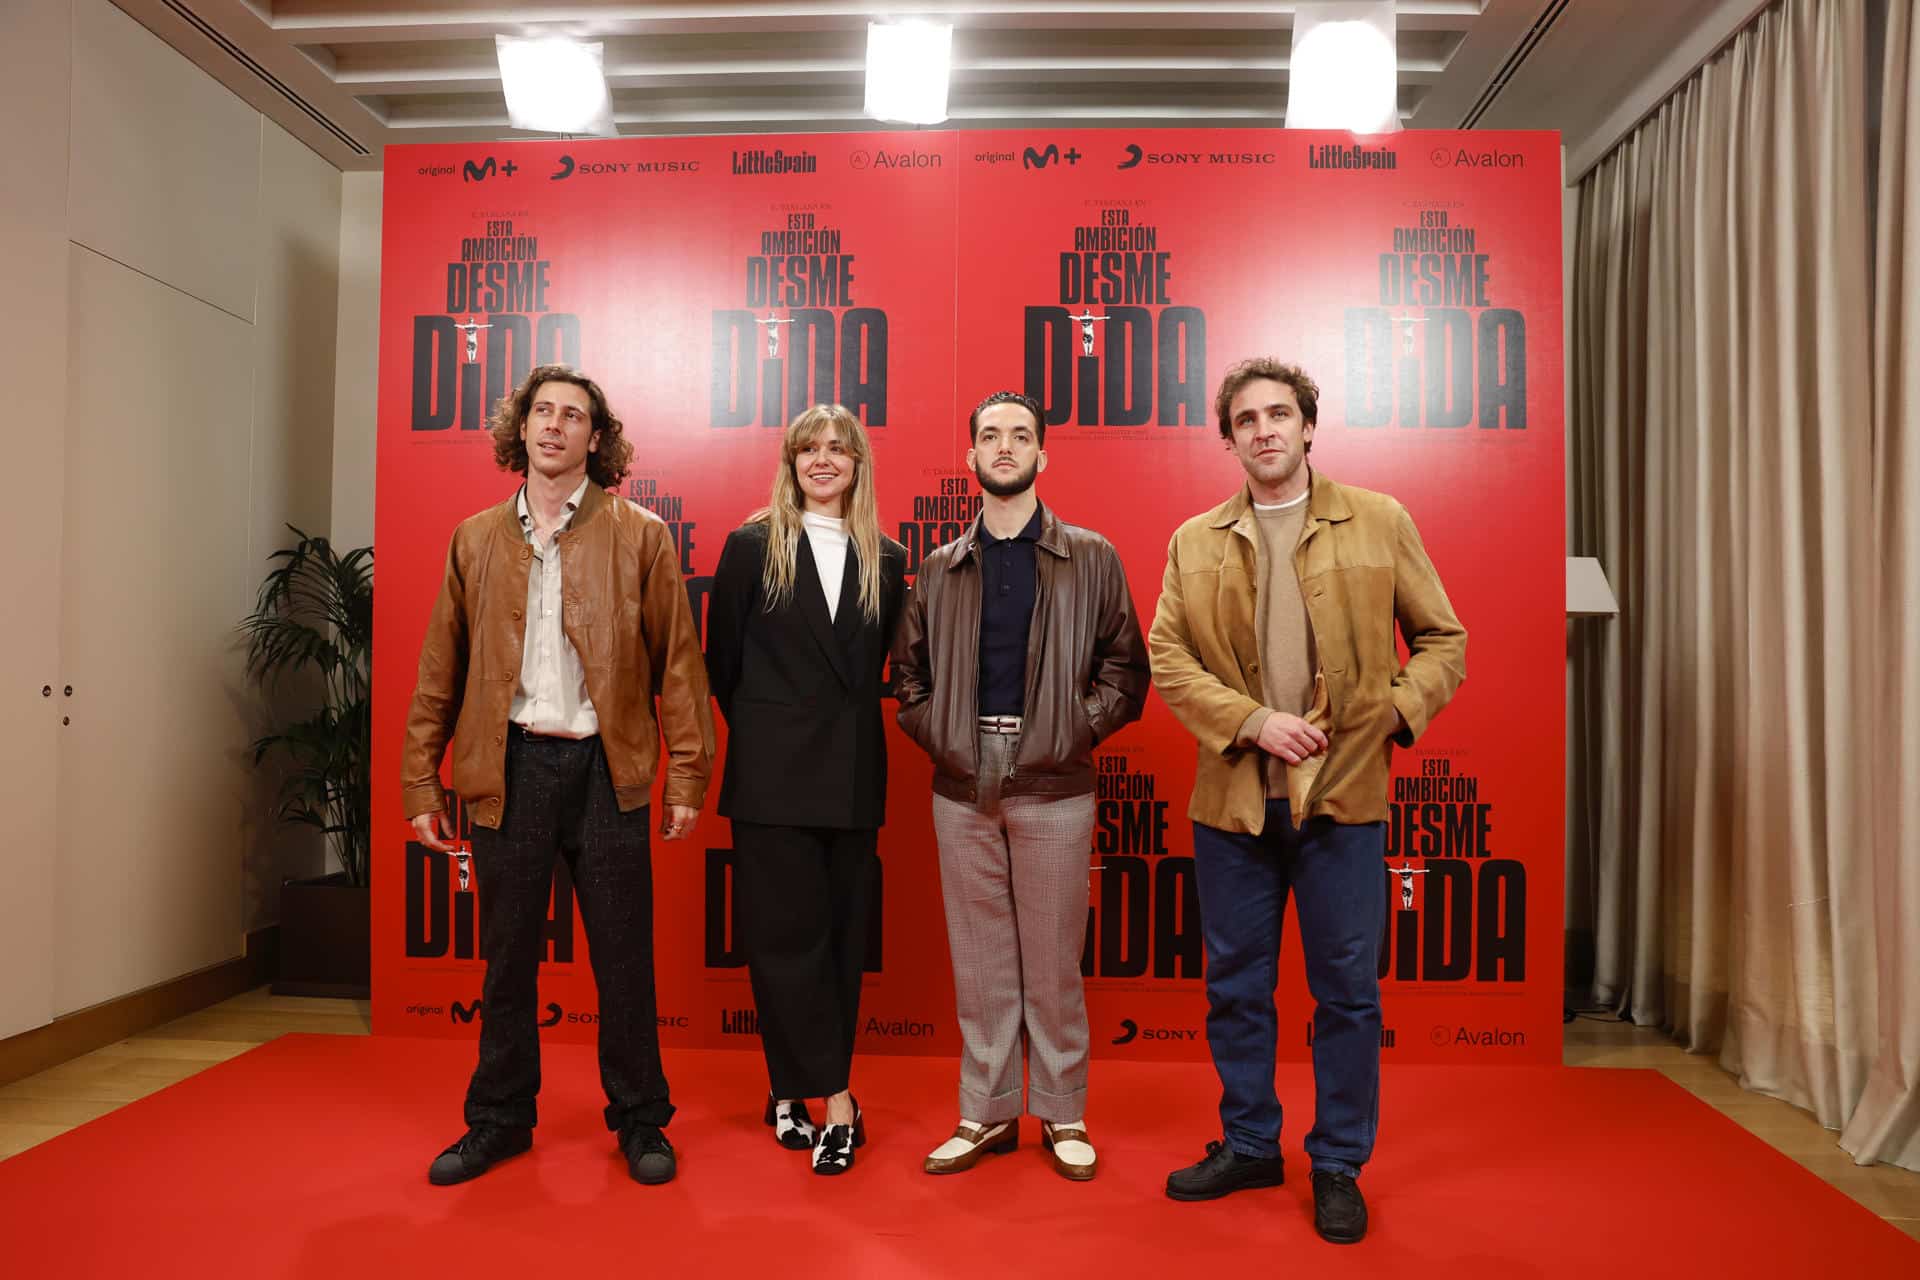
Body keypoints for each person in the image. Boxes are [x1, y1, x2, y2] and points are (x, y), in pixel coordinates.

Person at [1148, 359, 1466, 1243]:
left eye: (1279, 414)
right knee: (1236, 988)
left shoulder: (1379, 519)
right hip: (1235, 805)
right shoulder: (1195, 539)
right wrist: (1251, 722)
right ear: (1229, 439)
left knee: (1347, 993)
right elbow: (1167, 657)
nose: (1264, 430)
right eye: (1245, 419)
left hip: (1346, 799)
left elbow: (1444, 639)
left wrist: (1391, 719)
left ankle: (1336, 1164)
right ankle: (1250, 1142)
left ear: (1309, 426)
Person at [401, 364, 714, 1187]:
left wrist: (685, 777)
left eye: (573, 416)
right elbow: (441, 668)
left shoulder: (641, 534)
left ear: (595, 439)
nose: (553, 426)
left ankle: (642, 1120)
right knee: (506, 960)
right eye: (542, 412)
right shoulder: (475, 538)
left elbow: (678, 668)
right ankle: (498, 1120)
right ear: (521, 428)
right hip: (508, 767)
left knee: (624, 959)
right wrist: (420, 783)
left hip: (608, 772)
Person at [891, 389, 1149, 1182]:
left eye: (1021, 435)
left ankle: (1063, 1112)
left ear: (1043, 455)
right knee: (980, 961)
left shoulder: (1092, 555)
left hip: (1056, 781)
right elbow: (909, 677)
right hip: (962, 782)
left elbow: (1126, 669)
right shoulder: (940, 565)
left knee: (1052, 959)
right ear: (970, 458)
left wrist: (1069, 732)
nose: (1005, 447)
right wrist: (951, 741)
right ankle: (988, 1113)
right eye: (991, 437)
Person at [705, 404, 909, 1175]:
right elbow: (722, 664)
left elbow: (886, 669)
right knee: (782, 943)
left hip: (854, 777)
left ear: (859, 465)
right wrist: (771, 734)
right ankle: (836, 1100)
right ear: (789, 461)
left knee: (840, 945)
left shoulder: (887, 557)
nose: (823, 460)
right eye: (808, 448)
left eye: (839, 449)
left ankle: (789, 1088)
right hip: (770, 778)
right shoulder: (752, 545)